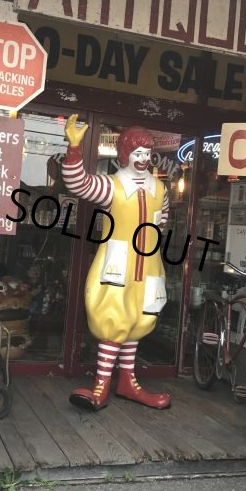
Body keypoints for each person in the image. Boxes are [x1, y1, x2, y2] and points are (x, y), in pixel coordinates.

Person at [62, 114, 171, 411]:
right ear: (125, 154)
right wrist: (74, 148)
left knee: (139, 318)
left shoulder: (160, 190)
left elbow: (162, 225)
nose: (142, 158)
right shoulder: (113, 185)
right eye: (137, 152)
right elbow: (79, 184)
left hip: (147, 265)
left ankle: (127, 381)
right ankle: (102, 383)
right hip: (118, 263)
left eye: (147, 153)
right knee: (113, 317)